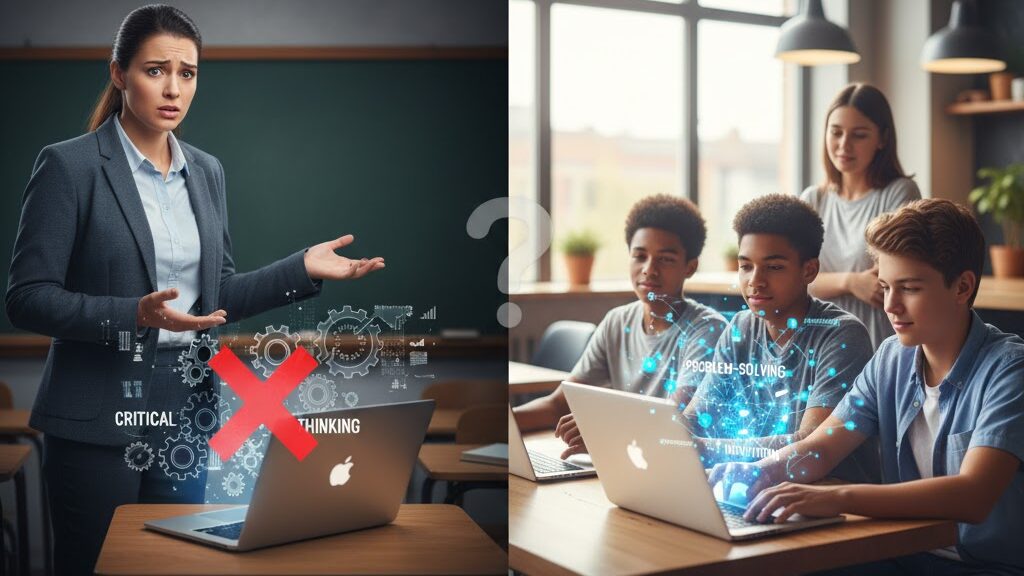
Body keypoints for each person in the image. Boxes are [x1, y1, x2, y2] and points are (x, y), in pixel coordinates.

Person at [4, 6, 383, 574]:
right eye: (155, 70)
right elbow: (27, 297)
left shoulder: (206, 172)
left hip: (186, 402)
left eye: (188, 73)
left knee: (176, 565)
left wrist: (302, 268)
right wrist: (135, 313)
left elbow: (219, 291)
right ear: (118, 73)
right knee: (95, 564)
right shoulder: (69, 166)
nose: (173, 88)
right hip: (97, 409)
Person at [710, 199, 1024, 574]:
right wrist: (761, 471)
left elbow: (973, 496)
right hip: (900, 555)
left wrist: (834, 498)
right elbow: (821, 448)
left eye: (909, 288)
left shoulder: (1009, 369)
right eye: (885, 287)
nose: (890, 305)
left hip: (986, 567)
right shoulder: (891, 358)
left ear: (962, 286)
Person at [681, 194, 878, 484]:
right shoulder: (740, 327)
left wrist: (705, 448)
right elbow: (695, 416)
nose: (754, 281)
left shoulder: (841, 334)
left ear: (809, 270)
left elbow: (809, 440)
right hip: (751, 487)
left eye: (773, 267)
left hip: (826, 498)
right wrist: (666, 436)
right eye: (746, 266)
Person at [514, 194, 725, 458]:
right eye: (640, 256)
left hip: (671, 463)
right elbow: (559, 404)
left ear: (690, 267)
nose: (649, 269)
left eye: (666, 259)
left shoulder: (708, 331)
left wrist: (603, 430)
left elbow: (676, 418)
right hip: (625, 458)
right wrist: (505, 422)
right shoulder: (617, 321)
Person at [801, 83, 920, 350]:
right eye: (836, 132)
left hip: (879, 347)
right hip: (820, 347)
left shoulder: (899, 193)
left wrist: (819, 281)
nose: (844, 145)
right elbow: (793, 280)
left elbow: (895, 277)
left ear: (882, 139)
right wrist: (851, 282)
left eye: (859, 135)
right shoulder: (813, 199)